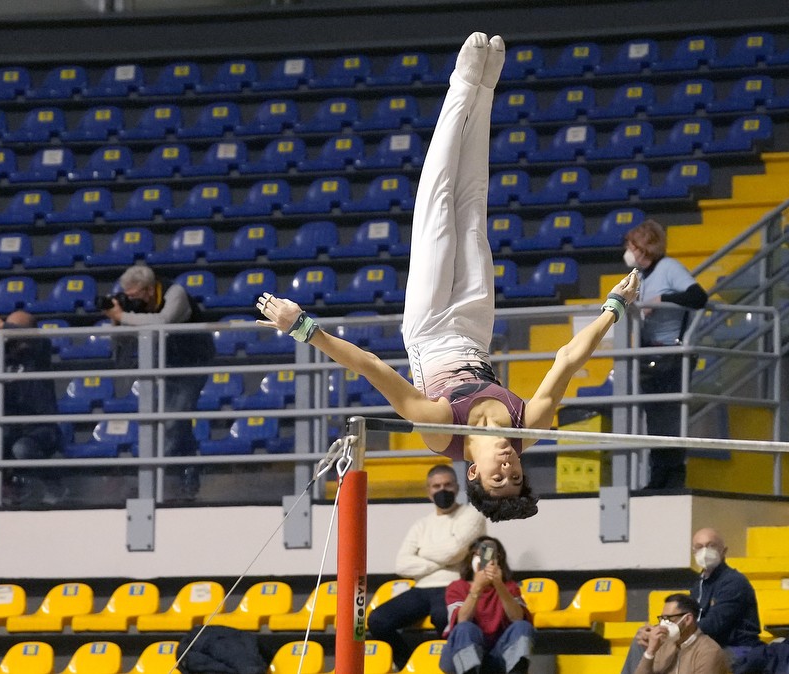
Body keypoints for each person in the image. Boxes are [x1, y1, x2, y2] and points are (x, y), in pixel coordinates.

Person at [256, 32, 641, 522]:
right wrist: (613, 308)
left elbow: (371, 367)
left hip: (430, 327)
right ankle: (485, 92)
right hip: (476, 330)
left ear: (474, 473)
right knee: (473, 206)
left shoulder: (440, 431)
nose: (508, 467)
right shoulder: (529, 425)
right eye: (516, 476)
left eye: (499, 478)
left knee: (437, 203)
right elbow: (568, 359)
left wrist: (304, 328)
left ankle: (462, 84)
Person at [105, 264, 215, 498]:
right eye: (128, 296)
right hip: (165, 365)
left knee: (174, 421)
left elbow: (163, 321)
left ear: (147, 289)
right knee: (175, 423)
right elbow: (123, 339)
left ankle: (151, 480)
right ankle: (188, 473)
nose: (131, 300)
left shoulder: (175, 293)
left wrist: (123, 316)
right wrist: (117, 321)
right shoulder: (136, 304)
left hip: (193, 363)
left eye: (134, 295)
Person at [368, 465, 486, 672]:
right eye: (436, 486)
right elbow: (402, 564)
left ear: (457, 487)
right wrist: (446, 559)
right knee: (378, 620)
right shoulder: (421, 525)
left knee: (442, 617)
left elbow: (454, 551)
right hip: (421, 588)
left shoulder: (472, 516)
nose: (442, 490)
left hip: (455, 585)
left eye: (447, 485)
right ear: (428, 491)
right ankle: (408, 665)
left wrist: (422, 553)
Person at [624, 220, 708, 490]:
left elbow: (698, 297)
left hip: (671, 353)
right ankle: (658, 474)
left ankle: (671, 475)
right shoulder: (641, 276)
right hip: (651, 353)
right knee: (655, 416)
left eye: (632, 246)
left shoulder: (669, 268)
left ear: (644, 248)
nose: (628, 251)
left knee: (668, 416)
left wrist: (662, 301)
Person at [622, 528, 761, 674]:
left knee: (684, 657)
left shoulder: (734, 582)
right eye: (699, 547)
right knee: (643, 642)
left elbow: (713, 626)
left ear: (724, 551)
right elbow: (685, 620)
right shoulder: (698, 585)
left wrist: (666, 633)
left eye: (711, 545)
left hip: (735, 648)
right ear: (693, 552)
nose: (705, 551)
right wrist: (655, 632)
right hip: (702, 642)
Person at [0, 310, 64, 505]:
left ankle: (55, 487)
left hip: (41, 427)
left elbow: (39, 342)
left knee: (22, 449)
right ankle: (2, 491)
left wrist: (4, 327)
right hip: (9, 426)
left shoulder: (39, 352)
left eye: (16, 329)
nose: (11, 335)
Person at [439, 536, 534, 674]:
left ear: (498, 559)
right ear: (470, 558)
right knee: (465, 628)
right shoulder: (457, 587)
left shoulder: (510, 587)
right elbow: (462, 619)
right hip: (458, 653)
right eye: (478, 555)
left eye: (490, 555)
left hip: (497, 654)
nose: (483, 560)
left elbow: (517, 618)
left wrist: (499, 584)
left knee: (522, 626)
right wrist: (477, 586)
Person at [635, 593, 729, 674]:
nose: (664, 624)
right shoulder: (663, 645)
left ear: (687, 619)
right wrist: (650, 651)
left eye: (669, 619)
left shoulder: (708, 651)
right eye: (662, 618)